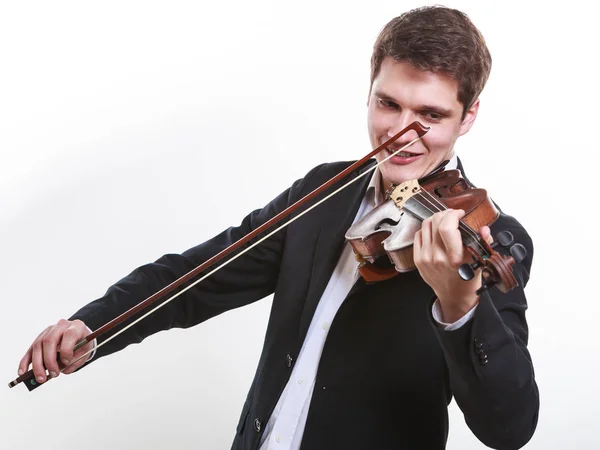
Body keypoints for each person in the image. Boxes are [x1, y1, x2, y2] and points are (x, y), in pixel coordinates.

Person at [16, 5, 539, 450]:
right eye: (389, 104)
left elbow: (509, 426)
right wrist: (94, 327)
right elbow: (200, 275)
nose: (402, 133)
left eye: (430, 115)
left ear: (467, 116)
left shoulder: (492, 239)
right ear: (370, 91)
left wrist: (458, 306)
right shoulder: (325, 191)